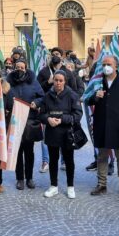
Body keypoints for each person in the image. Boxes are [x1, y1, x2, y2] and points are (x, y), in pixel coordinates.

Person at [88, 55, 119, 199]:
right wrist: (95, 97)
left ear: (116, 66)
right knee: (102, 156)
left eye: (108, 64)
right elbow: (88, 99)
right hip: (101, 124)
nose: (105, 67)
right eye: (103, 64)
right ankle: (101, 184)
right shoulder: (98, 81)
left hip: (118, 125)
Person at [39, 70, 82, 199]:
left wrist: (63, 119)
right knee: (53, 160)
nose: (58, 83)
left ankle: (70, 187)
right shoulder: (47, 96)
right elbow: (41, 114)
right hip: (52, 132)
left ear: (65, 81)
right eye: (56, 80)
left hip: (67, 133)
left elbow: (78, 115)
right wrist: (48, 119)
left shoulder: (72, 95)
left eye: (60, 80)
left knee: (69, 160)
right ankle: (53, 186)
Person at [6, 60, 44, 191]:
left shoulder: (33, 81)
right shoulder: (8, 81)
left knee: (29, 151)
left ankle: (29, 178)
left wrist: (36, 103)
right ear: (14, 68)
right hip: (15, 120)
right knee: (18, 151)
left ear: (26, 69)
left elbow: (41, 96)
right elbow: (2, 96)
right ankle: (20, 179)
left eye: (22, 67)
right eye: (17, 67)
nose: (20, 69)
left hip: (29, 120)